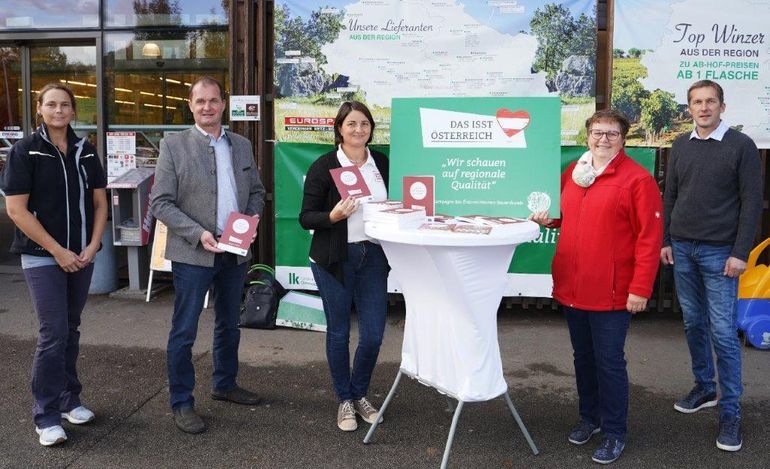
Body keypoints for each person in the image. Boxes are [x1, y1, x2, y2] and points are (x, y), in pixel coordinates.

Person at [530, 109, 663, 464]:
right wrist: (548, 218)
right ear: (587, 134)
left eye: (612, 134)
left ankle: (615, 432)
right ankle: (590, 419)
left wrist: (640, 289)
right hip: (574, 286)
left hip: (614, 291)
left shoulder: (637, 180)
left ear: (623, 139)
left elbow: (649, 239)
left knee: (609, 363)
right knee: (583, 358)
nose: (603, 139)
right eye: (597, 132)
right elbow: (563, 213)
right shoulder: (574, 172)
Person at [151, 76, 266, 434]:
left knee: (229, 323)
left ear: (223, 104)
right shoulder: (174, 145)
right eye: (200, 101)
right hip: (193, 253)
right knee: (184, 330)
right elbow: (160, 202)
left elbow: (258, 191)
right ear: (190, 104)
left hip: (234, 252)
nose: (207, 107)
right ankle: (182, 402)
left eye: (213, 100)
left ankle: (224, 384)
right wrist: (197, 233)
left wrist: (252, 218)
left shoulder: (242, 145)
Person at [1, 83, 108, 446]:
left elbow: (99, 203)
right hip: (42, 257)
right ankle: (45, 415)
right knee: (53, 333)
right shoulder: (25, 150)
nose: (59, 110)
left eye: (65, 105)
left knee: (71, 328)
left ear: (74, 111)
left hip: (82, 255)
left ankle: (68, 400)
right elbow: (16, 210)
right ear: (40, 109)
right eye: (51, 105)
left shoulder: (86, 151)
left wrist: (93, 244)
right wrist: (57, 250)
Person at [660, 80, 762, 452]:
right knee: (692, 322)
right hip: (683, 248)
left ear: (722, 106)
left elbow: (752, 203)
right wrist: (666, 240)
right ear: (689, 108)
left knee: (722, 332)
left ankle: (731, 411)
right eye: (697, 102)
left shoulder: (741, 146)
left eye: (710, 102)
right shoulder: (681, 145)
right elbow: (670, 194)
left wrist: (740, 252)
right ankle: (705, 387)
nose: (703, 108)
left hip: (722, 254)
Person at [299, 101, 390, 432]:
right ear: (339, 128)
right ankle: (344, 401)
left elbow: (394, 203)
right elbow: (305, 216)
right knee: (339, 332)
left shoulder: (380, 161)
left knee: (374, 334)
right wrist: (332, 216)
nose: (358, 130)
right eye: (351, 124)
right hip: (333, 259)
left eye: (364, 124)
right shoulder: (324, 166)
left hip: (374, 257)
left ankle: (360, 393)